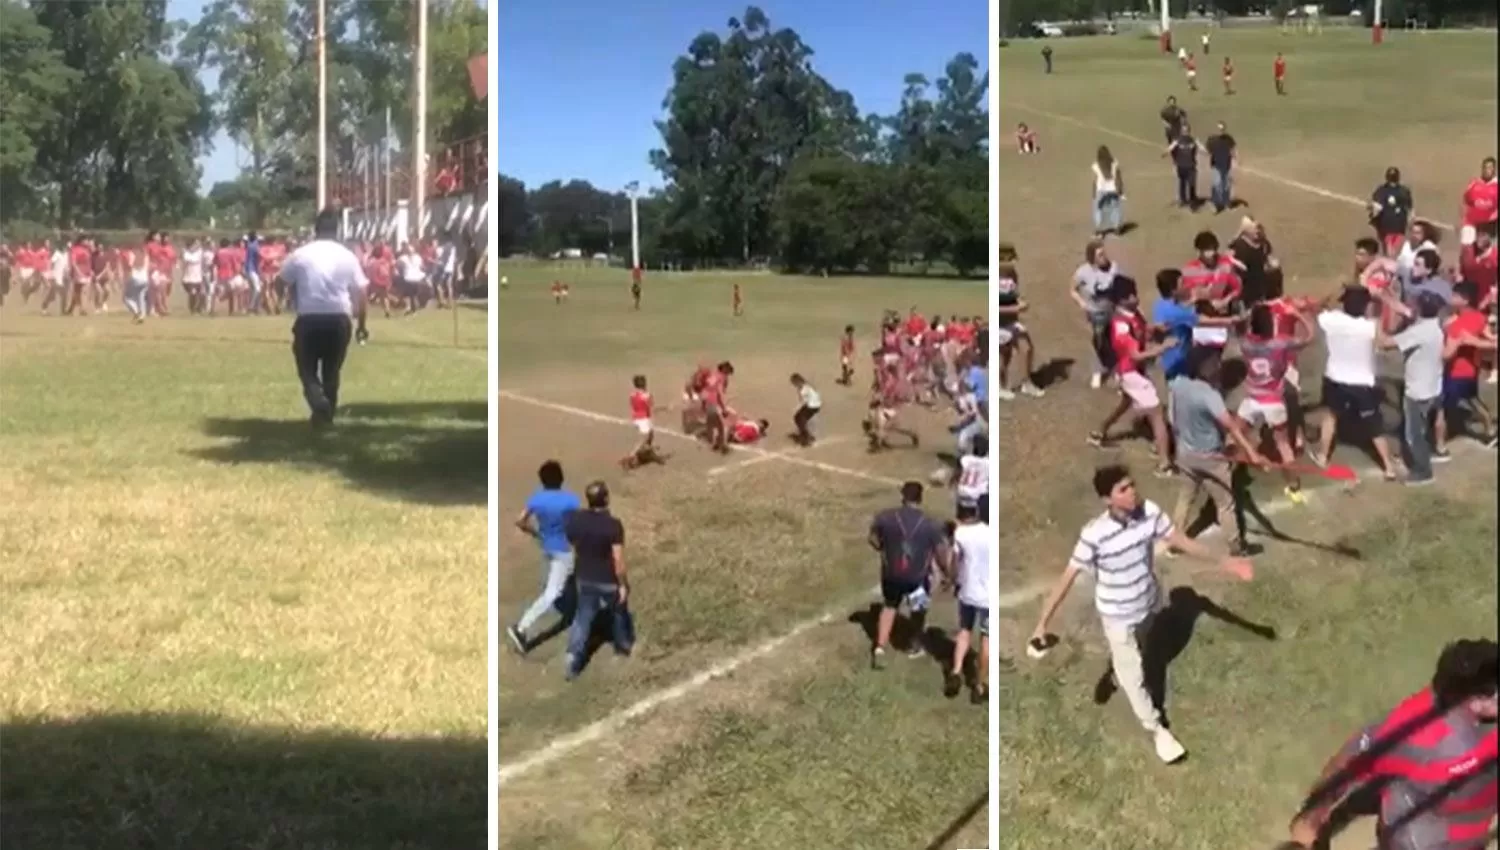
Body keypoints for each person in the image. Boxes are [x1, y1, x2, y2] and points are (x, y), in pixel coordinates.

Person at [1028, 465, 1252, 764]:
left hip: (1147, 602)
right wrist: (1041, 624)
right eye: (1123, 489)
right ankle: (1157, 728)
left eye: (1132, 484)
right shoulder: (1094, 535)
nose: (1132, 491)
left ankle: (1118, 673)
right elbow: (1066, 578)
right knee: (1134, 675)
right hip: (1116, 615)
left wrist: (1225, 561)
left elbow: (1180, 541)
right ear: (1107, 499)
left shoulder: (1150, 512)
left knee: (1147, 652)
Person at [1285, 638, 1498, 850]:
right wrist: (1311, 817)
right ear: (1475, 699)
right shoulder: (1417, 732)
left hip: (1475, 819)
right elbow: (1354, 757)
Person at [1167, 346, 1265, 557]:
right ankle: (1236, 547)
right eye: (1213, 363)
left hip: (1185, 453)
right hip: (1211, 458)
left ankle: (1175, 542)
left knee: (1185, 497)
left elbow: (1172, 418)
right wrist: (1251, 453)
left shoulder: (1178, 385)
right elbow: (1231, 426)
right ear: (1202, 367)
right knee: (1226, 502)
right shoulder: (1209, 395)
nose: (1218, 366)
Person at [278, 208, 370, 428]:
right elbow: (362, 292)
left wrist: (288, 296)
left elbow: (280, 280)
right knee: (332, 370)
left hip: (309, 319)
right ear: (336, 230)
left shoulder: (301, 254)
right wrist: (362, 325)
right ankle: (325, 416)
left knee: (307, 369)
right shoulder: (347, 256)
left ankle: (318, 402)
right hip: (339, 318)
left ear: (315, 229)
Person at [1313, 286, 1399, 478]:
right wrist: (1385, 303)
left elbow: (1319, 306)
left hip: (1335, 377)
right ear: (1365, 306)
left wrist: (1334, 293)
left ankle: (1322, 456)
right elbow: (1385, 340)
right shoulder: (1369, 326)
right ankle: (1389, 467)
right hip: (1362, 382)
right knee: (1374, 425)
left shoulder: (1331, 320)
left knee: (1331, 416)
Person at [868, 482, 948, 670]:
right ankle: (913, 645)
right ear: (920, 498)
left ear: (903, 496)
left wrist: (882, 548)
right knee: (918, 610)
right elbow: (940, 551)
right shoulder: (930, 523)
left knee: (889, 606)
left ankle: (880, 647)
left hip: (891, 574)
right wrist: (946, 572)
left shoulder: (886, 517)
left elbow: (872, 538)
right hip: (917, 578)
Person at [563, 481, 634, 682]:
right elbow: (618, 559)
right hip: (607, 580)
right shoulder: (613, 525)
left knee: (583, 617)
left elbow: (570, 540)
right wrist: (622, 584)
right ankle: (622, 646)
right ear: (606, 498)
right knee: (619, 611)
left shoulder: (577, 520)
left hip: (585, 578)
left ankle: (572, 656)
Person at [508, 460, 581, 655]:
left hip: (547, 547)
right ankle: (522, 627)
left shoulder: (536, 499)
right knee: (552, 593)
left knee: (569, 577)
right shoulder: (570, 501)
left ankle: (574, 606)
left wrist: (536, 534)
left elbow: (520, 521)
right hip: (564, 550)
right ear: (561, 478)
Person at [1378, 293, 1446, 485]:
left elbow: (1385, 343)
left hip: (1418, 391)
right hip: (1433, 385)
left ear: (1421, 309)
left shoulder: (1419, 332)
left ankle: (1423, 472)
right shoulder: (1434, 325)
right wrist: (1386, 299)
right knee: (1423, 429)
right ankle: (1428, 454)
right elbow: (1407, 313)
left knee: (1413, 434)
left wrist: (1374, 324)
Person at [944, 501, 991, 704]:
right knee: (986, 639)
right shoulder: (990, 532)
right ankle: (979, 686)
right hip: (988, 597)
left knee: (964, 631)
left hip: (967, 592)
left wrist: (952, 580)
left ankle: (955, 671)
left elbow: (954, 563)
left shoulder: (960, 534)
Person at [1072, 239, 1120, 388]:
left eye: (1104, 253)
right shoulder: (1083, 272)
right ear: (1092, 257)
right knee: (1098, 342)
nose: (1104, 257)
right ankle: (1097, 371)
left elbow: (1119, 287)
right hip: (1095, 313)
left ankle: (1117, 370)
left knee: (1113, 341)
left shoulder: (1114, 267)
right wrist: (1081, 303)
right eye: (1100, 255)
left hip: (1112, 311)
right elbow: (1072, 289)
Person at [1369, 167, 1415, 257]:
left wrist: (1371, 213)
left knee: (1388, 250)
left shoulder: (1382, 190)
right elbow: (1411, 210)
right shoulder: (1404, 191)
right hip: (1400, 226)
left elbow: (1377, 209)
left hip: (1386, 225)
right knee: (1395, 249)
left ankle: (1389, 264)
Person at [1459, 156, 1497, 247]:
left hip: (1488, 225)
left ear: (1494, 169)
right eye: (1485, 167)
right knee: (1467, 248)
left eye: (1490, 168)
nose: (1487, 170)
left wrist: (1493, 219)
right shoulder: (1474, 183)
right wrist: (1463, 218)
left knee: (1484, 251)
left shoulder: (1496, 185)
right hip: (1470, 222)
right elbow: (1465, 201)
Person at [1165, 123, 1202, 208]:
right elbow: (1171, 147)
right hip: (1183, 166)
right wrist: (1165, 152)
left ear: (1188, 131)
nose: (1185, 132)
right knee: (1184, 183)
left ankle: (1190, 200)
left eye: (1186, 130)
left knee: (1189, 183)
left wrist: (1209, 152)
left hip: (1189, 165)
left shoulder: (1192, 140)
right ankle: (1184, 200)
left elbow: (1201, 147)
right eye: (1184, 130)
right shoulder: (1179, 140)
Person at [1204, 121, 1237, 213]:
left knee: (1226, 185)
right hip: (1216, 165)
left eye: (1222, 129)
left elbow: (1233, 149)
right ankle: (1216, 204)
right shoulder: (1212, 140)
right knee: (1217, 184)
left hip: (1226, 165)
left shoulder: (1228, 139)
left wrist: (1235, 159)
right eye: (1219, 129)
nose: (1220, 131)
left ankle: (1226, 204)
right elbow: (1208, 151)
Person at [789, 373, 822, 446]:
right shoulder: (806, 386)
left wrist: (797, 408)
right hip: (814, 404)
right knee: (798, 418)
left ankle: (806, 437)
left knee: (800, 419)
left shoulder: (803, 389)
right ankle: (805, 434)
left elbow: (804, 401)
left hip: (812, 405)